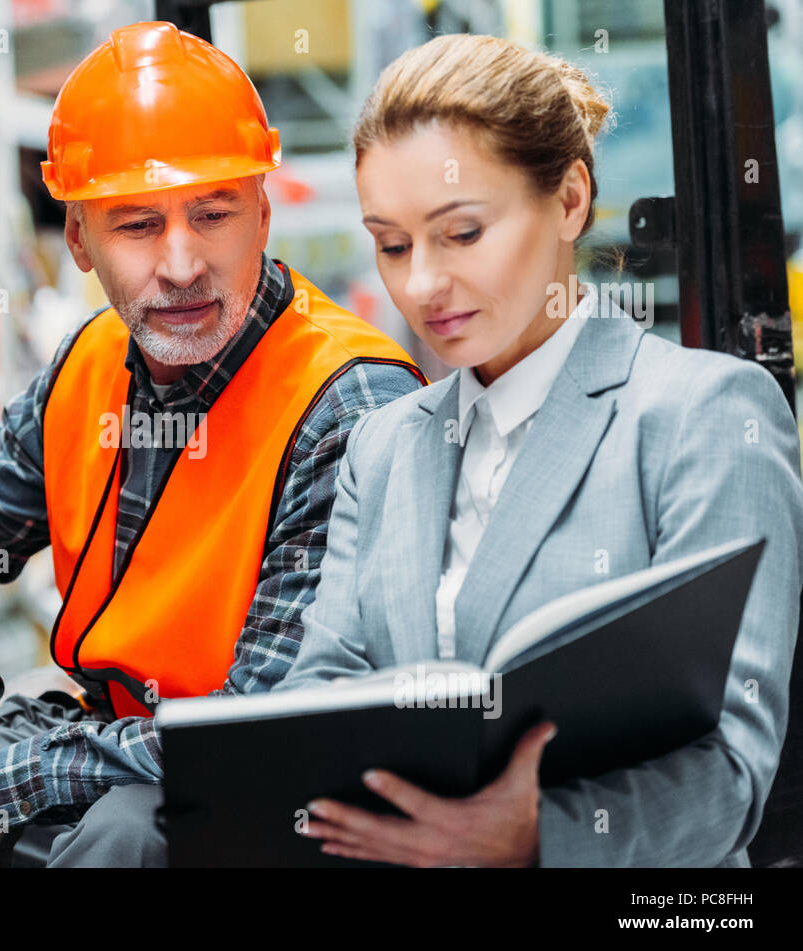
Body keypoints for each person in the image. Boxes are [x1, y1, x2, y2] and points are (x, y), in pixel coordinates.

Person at [0, 21, 426, 867]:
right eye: (138, 223)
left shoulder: (347, 403)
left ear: (263, 212)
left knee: (126, 836)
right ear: (78, 238)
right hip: (104, 731)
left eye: (213, 212)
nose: (183, 262)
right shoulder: (89, 363)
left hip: (263, 784)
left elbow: (267, 727)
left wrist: (26, 779)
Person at [275, 33, 803, 867]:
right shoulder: (383, 445)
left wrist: (536, 839)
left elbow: (731, 770)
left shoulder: (701, 414)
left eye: (462, 233)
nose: (420, 286)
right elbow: (321, 684)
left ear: (568, 201)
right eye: (393, 244)